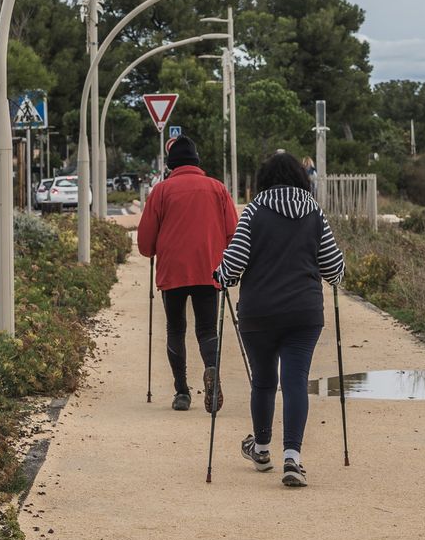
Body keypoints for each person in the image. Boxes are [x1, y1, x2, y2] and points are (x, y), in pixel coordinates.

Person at [214, 152, 345, 487]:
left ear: (265, 179)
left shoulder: (255, 210)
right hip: (304, 312)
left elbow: (234, 261)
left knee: (263, 381)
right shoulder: (314, 211)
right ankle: (292, 458)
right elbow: (333, 266)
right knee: (295, 381)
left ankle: (260, 449)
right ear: (301, 178)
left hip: (260, 312)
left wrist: (222, 275)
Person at [137, 136, 238, 412]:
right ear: (196, 161)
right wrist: (228, 263)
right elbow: (234, 233)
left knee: (175, 329)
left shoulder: (160, 192)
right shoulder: (218, 189)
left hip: (173, 271)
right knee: (206, 329)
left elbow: (146, 242)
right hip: (210, 269)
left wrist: (151, 251)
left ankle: (182, 392)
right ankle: (211, 368)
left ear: (171, 164)